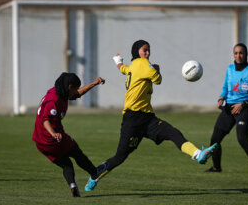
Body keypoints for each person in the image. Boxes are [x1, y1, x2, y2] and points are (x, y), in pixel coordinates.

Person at [85, 40, 218, 191]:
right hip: (133, 120)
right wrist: (157, 69)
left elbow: (124, 69)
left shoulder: (134, 66)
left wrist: (118, 62)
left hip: (147, 118)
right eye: (145, 50)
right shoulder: (142, 64)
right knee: (119, 157)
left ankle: (198, 154)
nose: (148, 53)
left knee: (172, 132)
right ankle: (95, 175)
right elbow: (158, 79)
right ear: (137, 52)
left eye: (149, 50)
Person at [32, 73, 105, 197]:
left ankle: (73, 186)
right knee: (76, 151)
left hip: (40, 141)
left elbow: (78, 94)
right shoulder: (54, 100)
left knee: (67, 164)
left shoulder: (60, 91)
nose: (76, 91)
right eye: (75, 88)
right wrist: (54, 134)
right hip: (51, 138)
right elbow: (45, 120)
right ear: (70, 86)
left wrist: (94, 83)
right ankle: (94, 172)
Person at [205, 43, 248, 174]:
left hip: (244, 109)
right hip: (229, 108)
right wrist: (221, 98)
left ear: (246, 54)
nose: (238, 56)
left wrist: (243, 104)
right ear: (233, 55)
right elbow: (225, 88)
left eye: (241, 53)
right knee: (215, 139)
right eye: (236, 53)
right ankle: (216, 167)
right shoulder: (230, 69)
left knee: (242, 139)